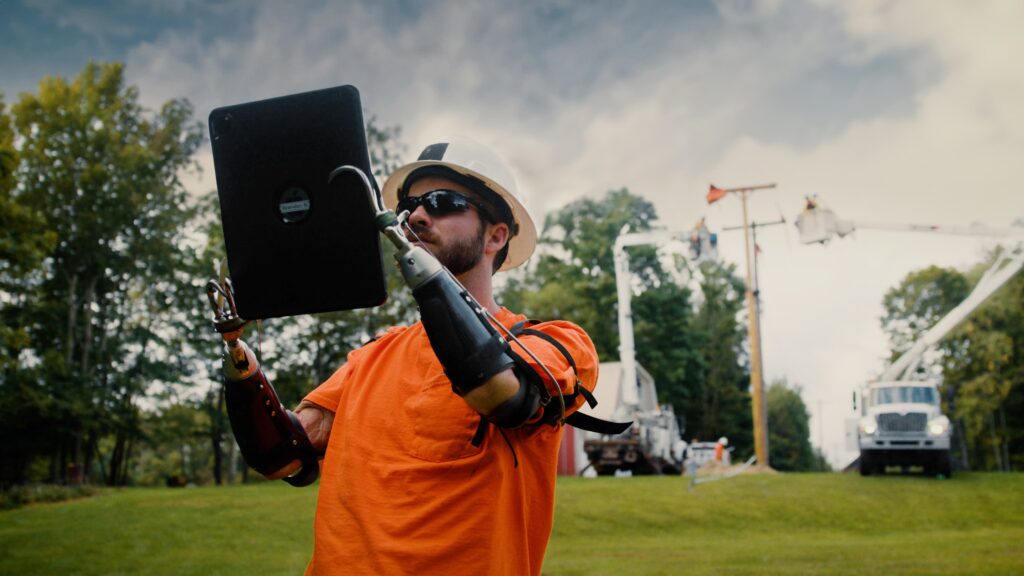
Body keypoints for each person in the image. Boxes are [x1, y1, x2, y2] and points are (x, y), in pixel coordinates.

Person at [286, 138, 600, 575]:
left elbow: (504, 395)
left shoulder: (555, 342)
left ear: (496, 235)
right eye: (409, 205)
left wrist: (429, 282)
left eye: (442, 202)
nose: (416, 215)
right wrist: (237, 355)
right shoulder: (371, 357)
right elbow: (285, 455)